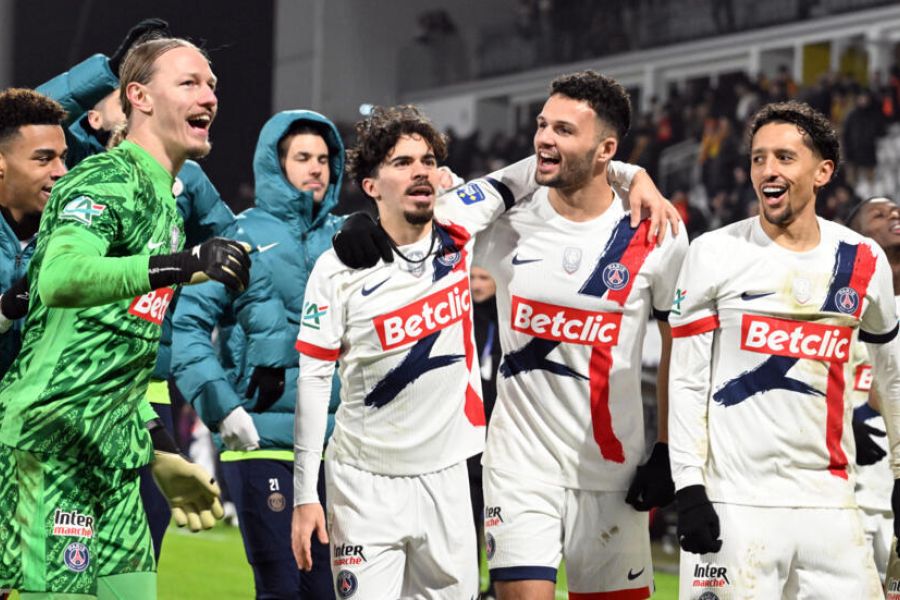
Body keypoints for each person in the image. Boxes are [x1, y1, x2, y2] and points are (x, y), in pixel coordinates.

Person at [329, 72, 685, 600]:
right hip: (520, 469)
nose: (544, 137)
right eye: (542, 124)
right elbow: (421, 216)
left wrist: (666, 450)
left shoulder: (656, 233)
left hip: (615, 473)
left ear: (606, 147)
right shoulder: (505, 220)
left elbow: (679, 343)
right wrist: (367, 227)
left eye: (565, 129)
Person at [0, 37, 250, 598]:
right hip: (53, 442)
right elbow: (60, 279)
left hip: (114, 455)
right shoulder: (103, 179)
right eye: (188, 82)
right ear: (137, 96)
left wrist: (158, 451)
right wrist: (180, 265)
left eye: (211, 84)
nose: (208, 94)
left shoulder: (166, 203)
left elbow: (114, 346)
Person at [292, 105, 545, 598]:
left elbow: (530, 172)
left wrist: (631, 174)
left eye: (428, 160)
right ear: (371, 185)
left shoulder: (457, 222)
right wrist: (306, 494)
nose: (421, 170)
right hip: (363, 484)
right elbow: (313, 379)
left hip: (448, 477)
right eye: (403, 162)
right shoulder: (337, 268)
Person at [668, 102, 900, 599]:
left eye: (784, 157)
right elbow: (686, 379)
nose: (768, 170)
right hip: (736, 500)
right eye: (758, 158)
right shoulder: (713, 252)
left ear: (823, 172)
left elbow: (892, 376)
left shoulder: (862, 259)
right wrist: (688, 486)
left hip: (832, 505)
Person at [173, 110, 344, 599]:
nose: (316, 168)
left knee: (330, 592)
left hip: (337, 450)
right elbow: (186, 326)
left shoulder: (347, 239)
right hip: (265, 442)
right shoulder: (241, 237)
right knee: (281, 590)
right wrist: (221, 406)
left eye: (325, 159)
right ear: (276, 164)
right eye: (303, 158)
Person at [845, 195, 900, 581]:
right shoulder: (839, 308)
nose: (894, 215)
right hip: (852, 502)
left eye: (896, 210)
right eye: (879, 215)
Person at [0, 89, 68, 377]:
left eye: (63, 158)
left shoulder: (76, 240)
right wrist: (4, 311)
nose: (61, 171)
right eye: (43, 159)